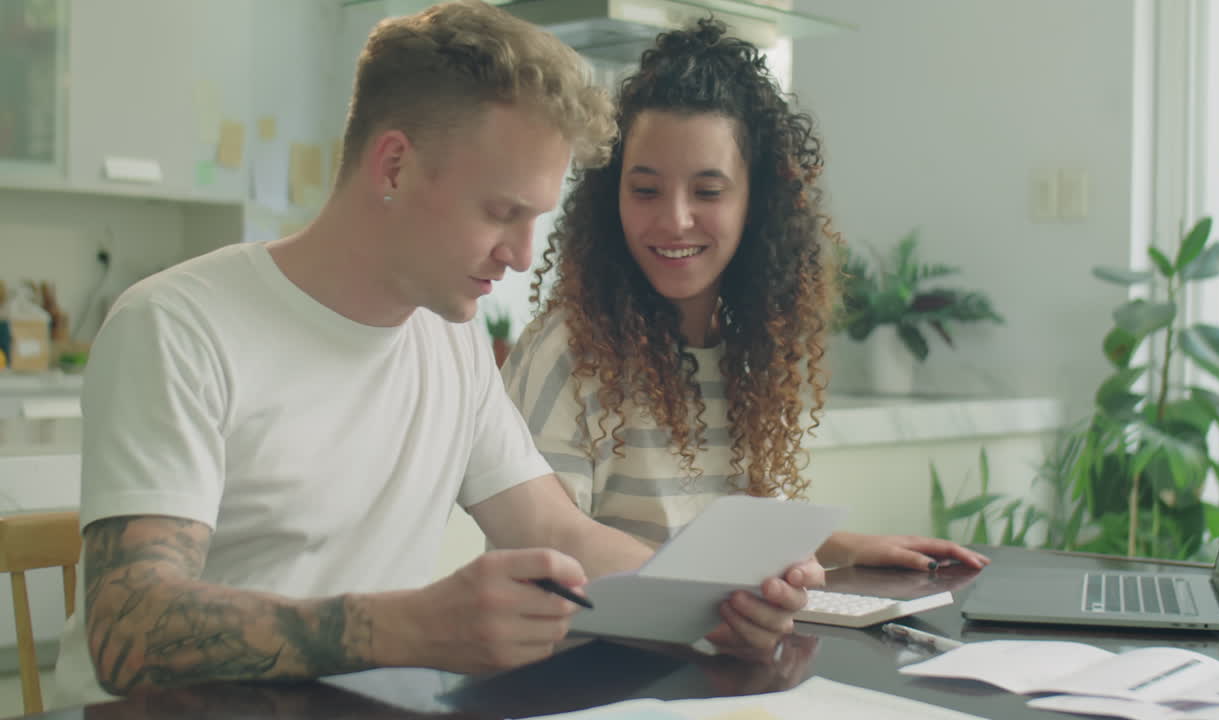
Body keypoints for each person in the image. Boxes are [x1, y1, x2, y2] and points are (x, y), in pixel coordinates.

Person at [54, 1, 821, 706]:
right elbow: (131, 630)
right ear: (394, 166)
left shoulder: (448, 339)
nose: (523, 257)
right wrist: (409, 627)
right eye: (501, 212)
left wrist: (719, 604)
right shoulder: (180, 326)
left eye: (536, 221)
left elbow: (561, 535)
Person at [502, 19, 989, 572]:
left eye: (707, 191)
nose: (675, 219)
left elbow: (732, 539)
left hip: (708, 649)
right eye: (645, 190)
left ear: (756, 203)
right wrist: (721, 597)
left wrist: (846, 549)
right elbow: (548, 554)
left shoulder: (747, 349)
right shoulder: (568, 351)